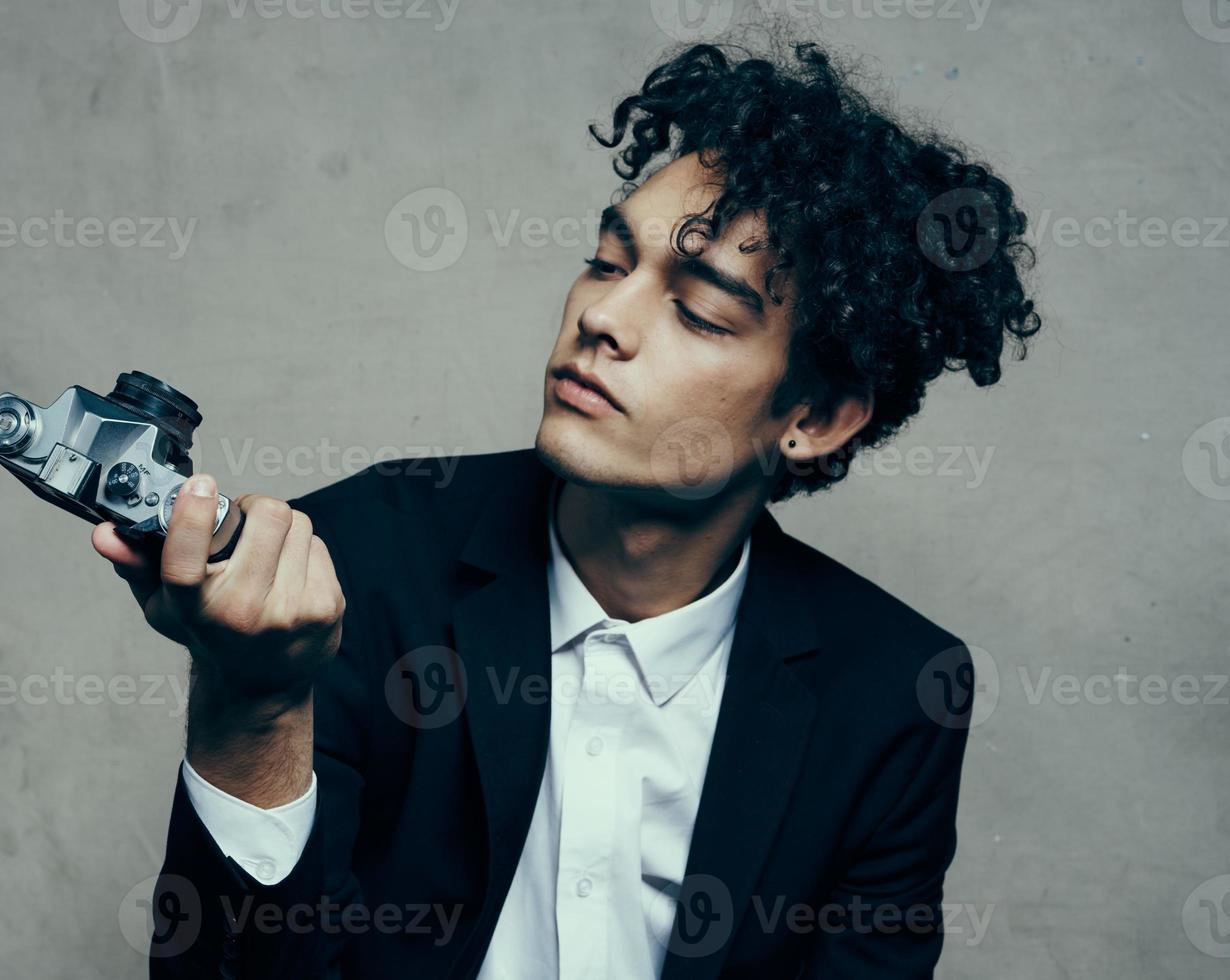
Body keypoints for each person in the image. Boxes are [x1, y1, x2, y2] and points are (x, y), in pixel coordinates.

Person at [93, 34, 1038, 980]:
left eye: (701, 312)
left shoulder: (895, 693)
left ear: (818, 417)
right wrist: (251, 708)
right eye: (604, 261)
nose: (603, 317)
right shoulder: (359, 557)